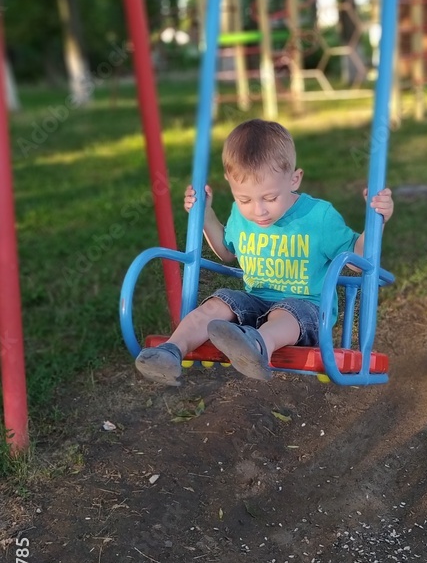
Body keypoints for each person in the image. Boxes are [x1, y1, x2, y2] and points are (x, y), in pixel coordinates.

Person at [135, 119, 394, 386]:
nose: (258, 211)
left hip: (306, 310)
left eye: (270, 198)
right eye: (244, 199)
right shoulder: (240, 216)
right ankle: (171, 351)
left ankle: (257, 349)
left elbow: (358, 260)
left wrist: (377, 222)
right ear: (230, 183)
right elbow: (226, 252)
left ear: (294, 179)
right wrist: (205, 215)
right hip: (255, 302)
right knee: (217, 303)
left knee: (286, 313)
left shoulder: (319, 216)